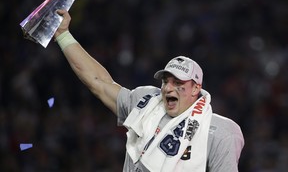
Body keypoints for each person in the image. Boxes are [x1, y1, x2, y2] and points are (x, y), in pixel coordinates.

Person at [53, 9, 245, 172]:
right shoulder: (145, 103)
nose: (168, 88)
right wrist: (63, 35)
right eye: (165, 81)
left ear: (196, 88)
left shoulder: (220, 132)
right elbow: (99, 82)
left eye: (178, 82)